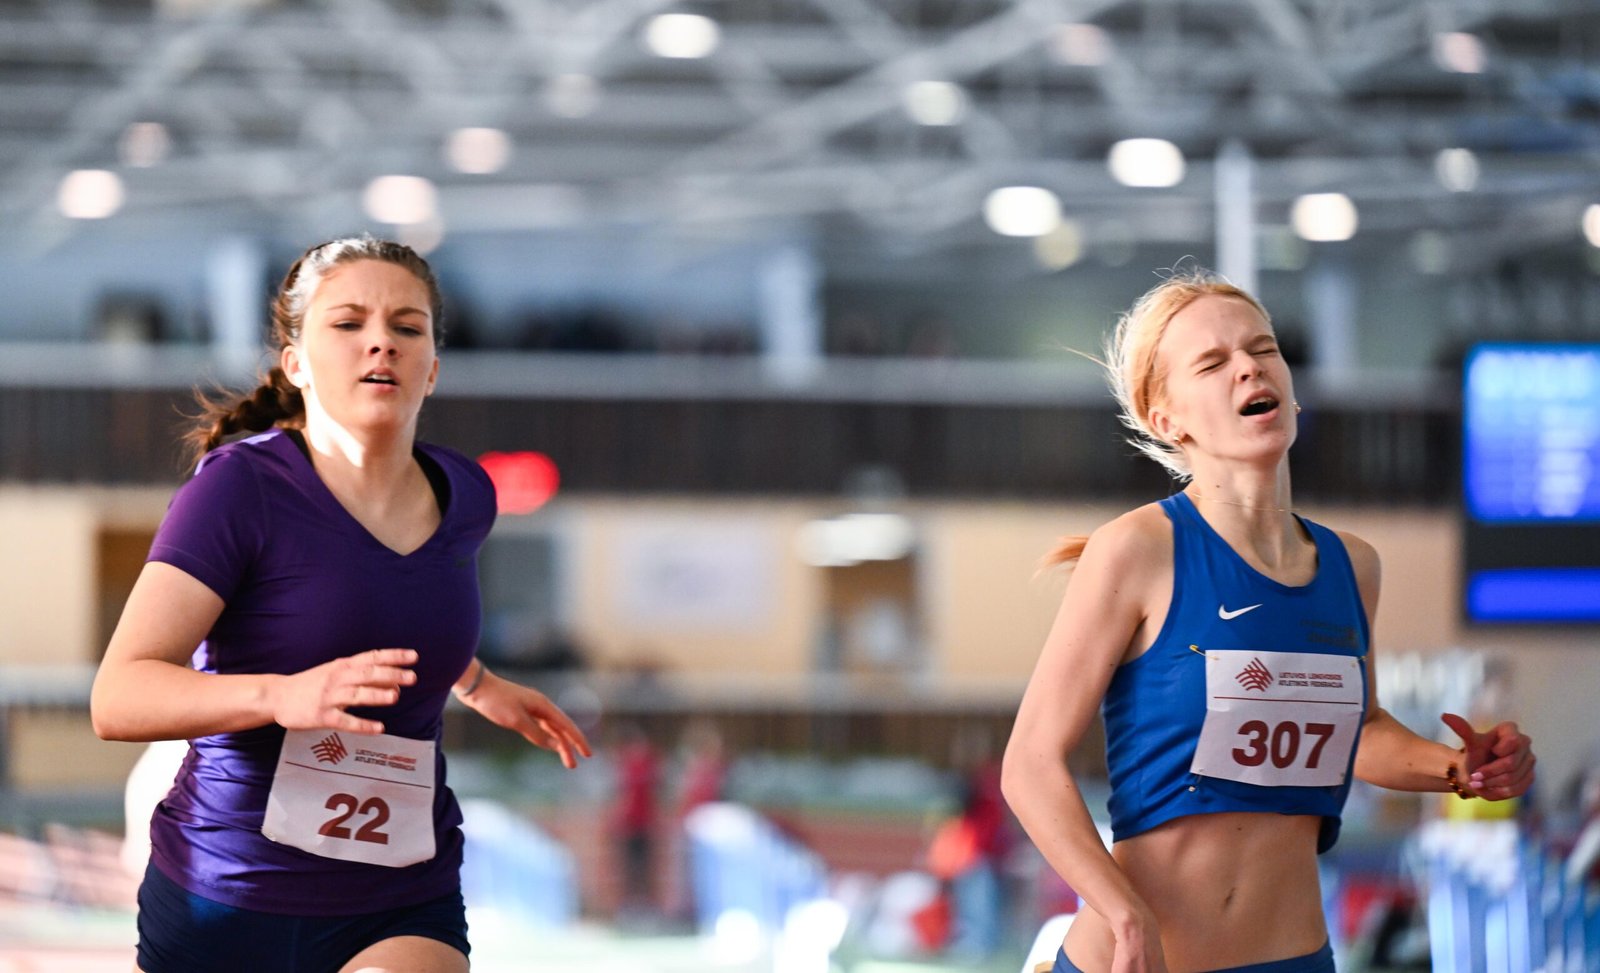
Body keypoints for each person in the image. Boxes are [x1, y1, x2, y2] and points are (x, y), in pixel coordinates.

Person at [1000, 269, 1536, 973]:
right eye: (1212, 363)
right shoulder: (1137, 550)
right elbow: (1029, 765)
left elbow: (1356, 730)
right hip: (1141, 959)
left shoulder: (1354, 566)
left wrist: (1461, 769)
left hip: (1296, 956)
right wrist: (1122, 912)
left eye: (1263, 349)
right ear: (1168, 420)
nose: (1249, 367)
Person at [90, 236, 593, 973]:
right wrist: (283, 695)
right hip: (229, 892)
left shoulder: (466, 495)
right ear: (296, 362)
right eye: (349, 323)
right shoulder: (238, 491)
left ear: (433, 368)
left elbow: (384, 602)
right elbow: (118, 697)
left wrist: (478, 681)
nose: (381, 343)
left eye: (407, 327)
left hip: (402, 892)